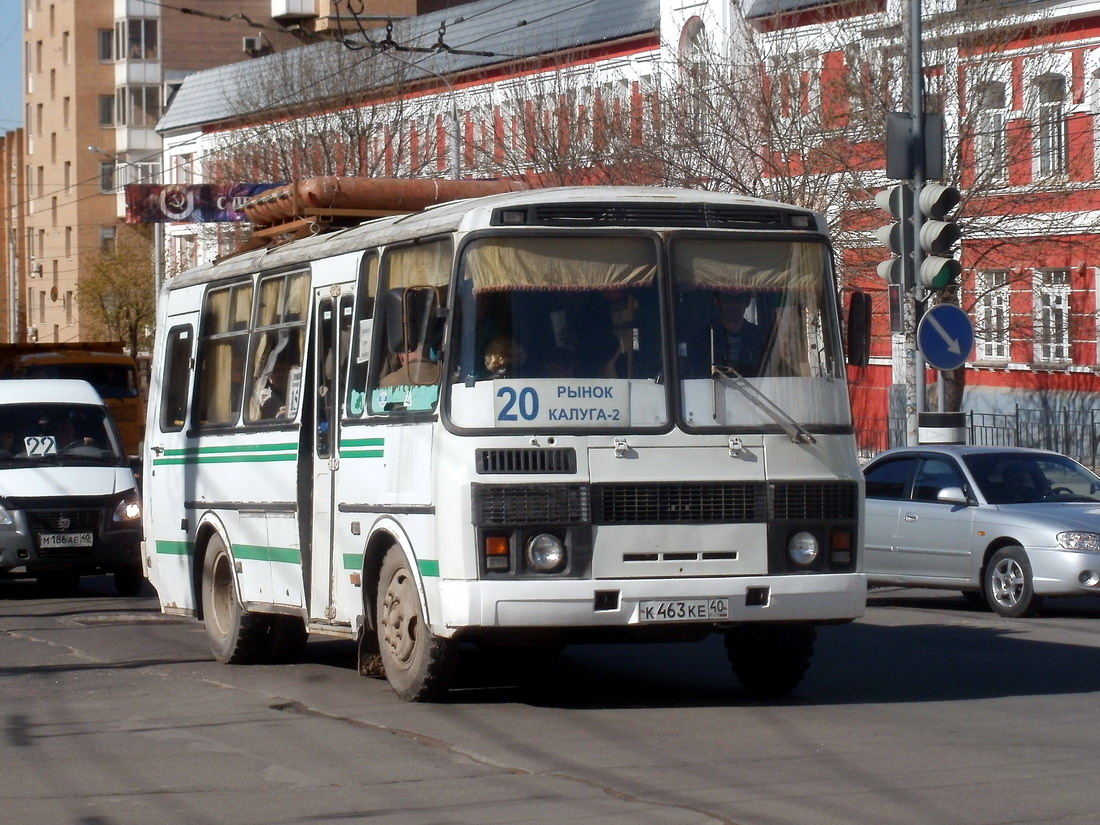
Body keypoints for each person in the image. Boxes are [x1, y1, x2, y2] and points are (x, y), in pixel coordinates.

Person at [688, 290, 766, 377]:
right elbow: (698, 378)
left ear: (747, 302)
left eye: (739, 299)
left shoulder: (760, 337)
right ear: (717, 301)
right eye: (727, 299)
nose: (733, 305)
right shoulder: (701, 339)